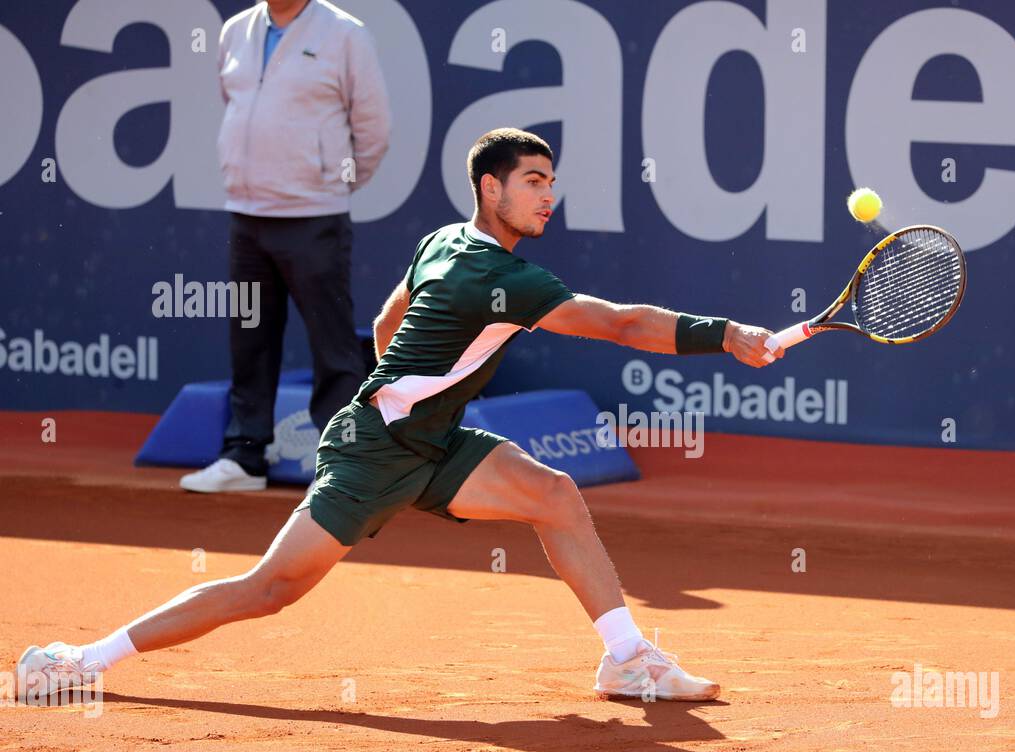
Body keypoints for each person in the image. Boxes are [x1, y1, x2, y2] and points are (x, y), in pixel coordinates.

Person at [18, 128, 786, 703]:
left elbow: (389, 323)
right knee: (270, 588)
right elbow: (621, 323)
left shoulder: (443, 241)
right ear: (493, 189)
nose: (549, 195)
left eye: (552, 181)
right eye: (534, 181)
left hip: (428, 436)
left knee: (554, 494)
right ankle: (81, 662)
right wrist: (729, 336)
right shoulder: (502, 275)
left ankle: (625, 659)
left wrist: (423, 386)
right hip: (376, 450)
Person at [181, 0, 391, 493]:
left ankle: (345, 465)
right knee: (249, 338)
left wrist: (327, 185)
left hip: (314, 217)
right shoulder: (235, 31)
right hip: (247, 215)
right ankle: (245, 457)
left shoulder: (346, 34)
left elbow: (374, 128)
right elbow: (237, 107)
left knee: (332, 346)